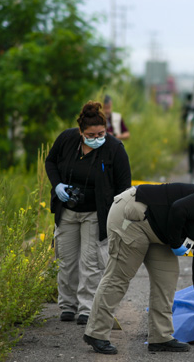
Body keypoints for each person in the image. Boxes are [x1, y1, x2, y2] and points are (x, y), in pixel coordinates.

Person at [83, 184, 194, 354]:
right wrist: (175, 244)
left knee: (167, 276)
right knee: (119, 276)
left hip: (159, 231)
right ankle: (96, 333)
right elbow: (178, 209)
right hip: (133, 214)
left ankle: (160, 337)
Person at [44, 101, 132, 325]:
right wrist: (57, 186)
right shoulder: (67, 139)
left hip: (96, 213)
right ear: (81, 132)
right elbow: (51, 161)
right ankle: (67, 305)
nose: (97, 138)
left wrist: (118, 218)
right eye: (91, 134)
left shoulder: (114, 148)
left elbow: (124, 186)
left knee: (91, 262)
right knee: (65, 261)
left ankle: (86, 308)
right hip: (68, 211)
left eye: (101, 133)